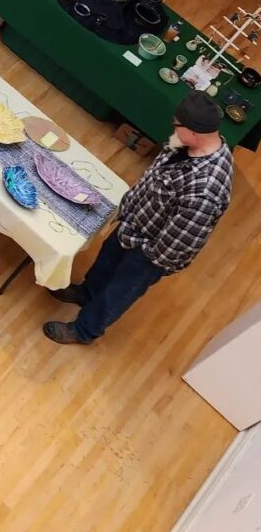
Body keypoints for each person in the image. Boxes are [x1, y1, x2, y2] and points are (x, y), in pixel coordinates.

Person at [44, 92, 233, 346]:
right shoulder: (188, 143)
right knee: (106, 261)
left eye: (177, 126)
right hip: (135, 223)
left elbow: (175, 246)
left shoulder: (206, 189)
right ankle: (86, 293)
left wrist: (143, 253)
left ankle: (84, 330)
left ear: (195, 132)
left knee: (119, 291)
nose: (172, 129)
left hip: (151, 252)